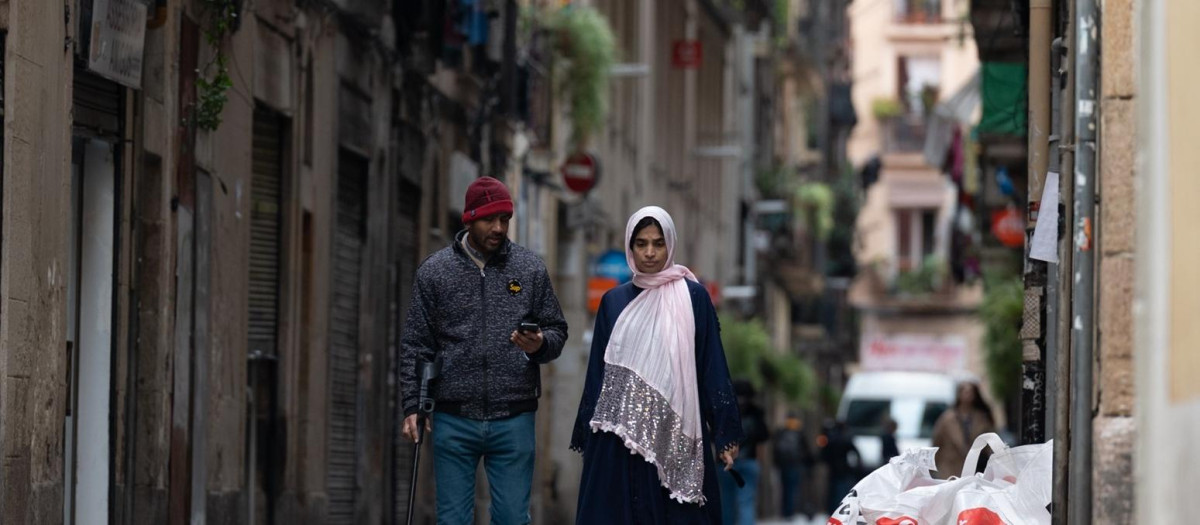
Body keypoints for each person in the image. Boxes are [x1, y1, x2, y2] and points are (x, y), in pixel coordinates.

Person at [399, 176, 568, 525]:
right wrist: (412, 405)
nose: (498, 227)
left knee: (511, 518)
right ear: (469, 219)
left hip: (514, 415)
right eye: (489, 219)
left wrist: (539, 345)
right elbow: (416, 343)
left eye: (504, 219)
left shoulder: (529, 269)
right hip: (453, 416)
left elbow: (557, 330)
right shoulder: (435, 272)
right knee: (452, 520)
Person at [571, 206, 743, 524]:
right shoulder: (614, 302)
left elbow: (711, 366)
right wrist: (590, 438)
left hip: (677, 438)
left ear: (670, 245)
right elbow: (599, 375)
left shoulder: (694, 298)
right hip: (621, 442)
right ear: (630, 246)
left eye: (658, 243)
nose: (649, 253)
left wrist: (725, 434)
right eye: (641, 243)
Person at [719, 382, 769, 525]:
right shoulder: (756, 413)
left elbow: (714, 437)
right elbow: (762, 439)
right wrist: (759, 462)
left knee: (727, 501)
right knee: (746, 501)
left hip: (725, 462)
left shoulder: (725, 411)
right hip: (749, 462)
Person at [931, 381, 996, 479]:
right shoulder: (947, 418)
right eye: (965, 391)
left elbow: (989, 442)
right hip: (950, 467)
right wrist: (933, 467)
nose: (968, 395)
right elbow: (937, 442)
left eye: (970, 392)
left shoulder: (981, 418)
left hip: (975, 468)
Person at [773, 412, 813, 520]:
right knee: (793, 488)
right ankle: (790, 512)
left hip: (783, 465)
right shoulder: (799, 432)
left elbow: (775, 450)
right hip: (795, 464)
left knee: (785, 488)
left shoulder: (781, 432)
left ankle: (785, 511)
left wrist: (776, 463)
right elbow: (806, 450)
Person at [820, 420, 861, 515]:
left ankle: (831, 510)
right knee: (841, 491)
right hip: (843, 469)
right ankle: (838, 510)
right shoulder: (845, 438)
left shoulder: (830, 438)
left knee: (832, 491)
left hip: (833, 469)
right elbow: (855, 451)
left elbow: (823, 454)